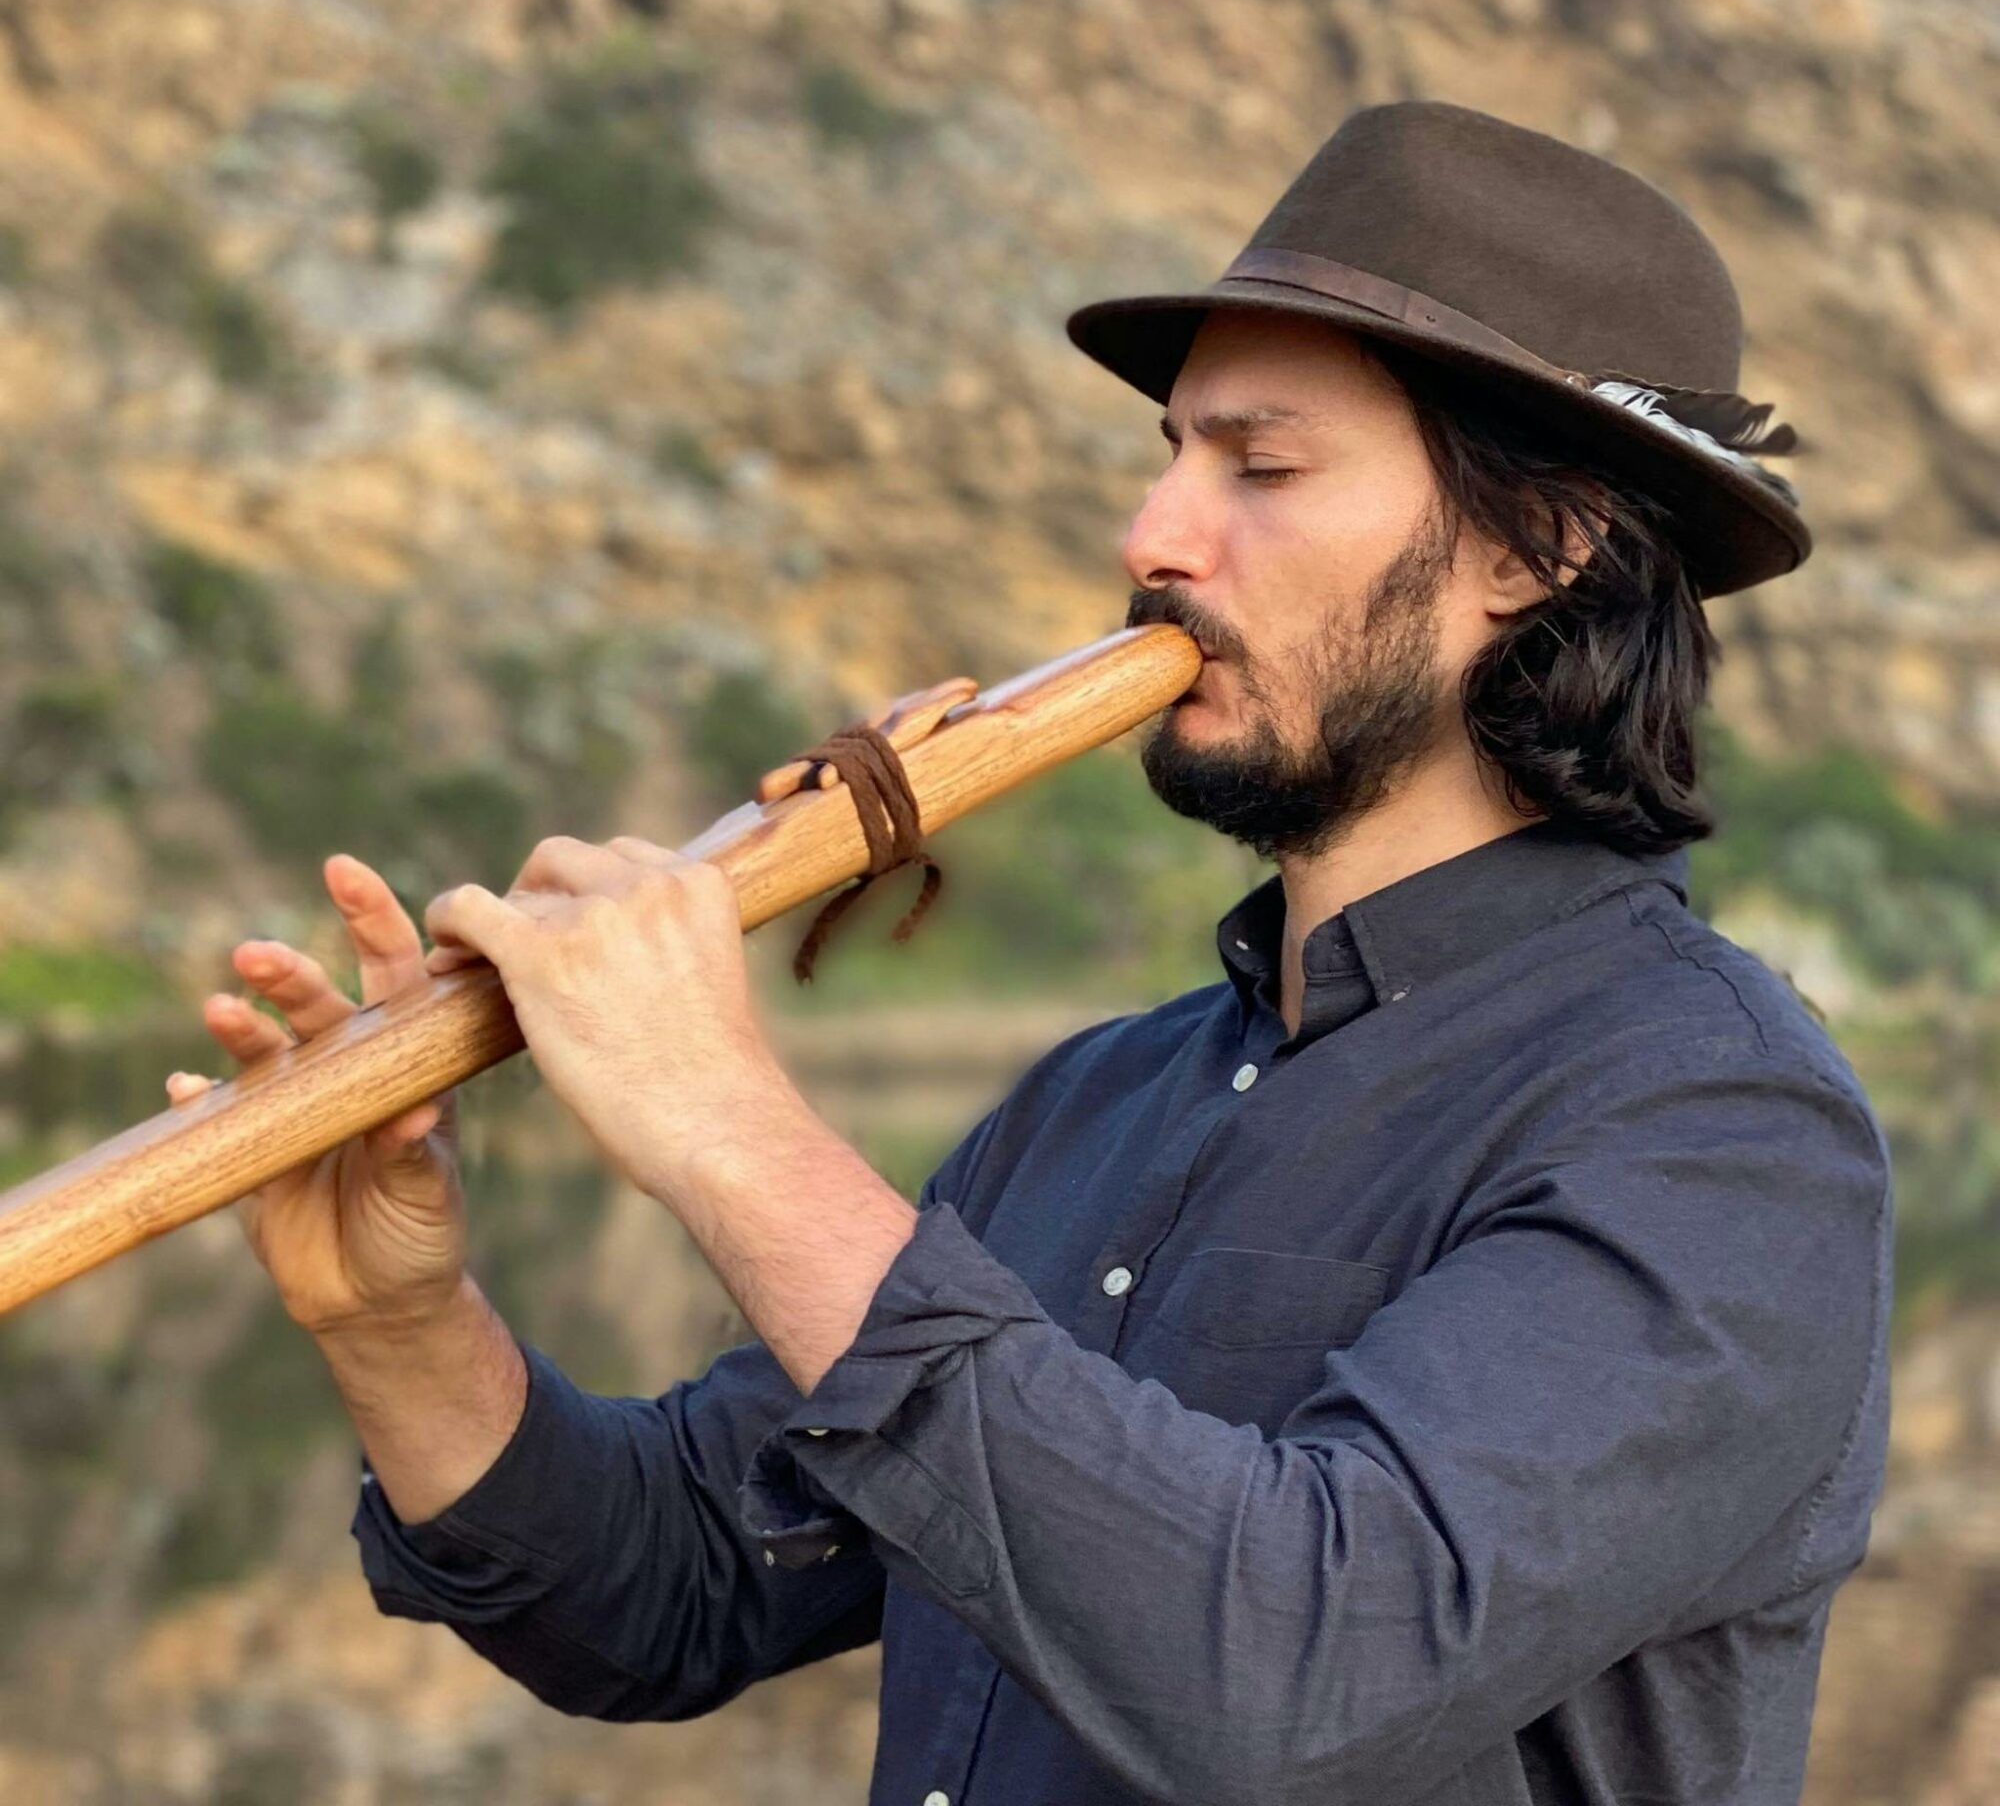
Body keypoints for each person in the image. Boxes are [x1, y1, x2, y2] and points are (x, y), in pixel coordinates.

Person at [167, 101, 1890, 1806]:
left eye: (1262, 468)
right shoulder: (1098, 1105)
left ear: (1541, 544)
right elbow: (676, 1586)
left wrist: (723, 1125)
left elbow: (1291, 1670)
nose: (1156, 541)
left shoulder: (1716, 1128)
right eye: (1172, 456)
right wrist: (397, 1319)